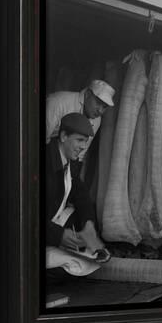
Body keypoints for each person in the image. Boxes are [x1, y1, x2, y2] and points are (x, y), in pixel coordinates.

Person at [46, 112, 110, 267]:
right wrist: (59, 235)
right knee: (69, 268)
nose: (83, 147)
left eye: (85, 141)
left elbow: (81, 195)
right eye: (79, 140)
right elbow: (27, 216)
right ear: (63, 136)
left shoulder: (71, 161)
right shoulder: (45, 161)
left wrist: (88, 224)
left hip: (54, 222)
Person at [46, 79, 115, 153]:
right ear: (88, 94)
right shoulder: (57, 102)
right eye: (98, 103)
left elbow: (81, 152)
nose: (100, 111)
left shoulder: (97, 118)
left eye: (104, 107)